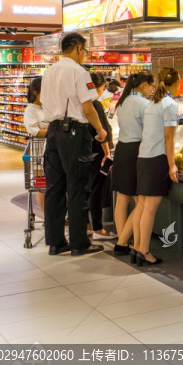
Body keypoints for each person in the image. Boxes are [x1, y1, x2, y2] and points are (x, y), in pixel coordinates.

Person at [40, 32, 107, 257]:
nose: (85, 54)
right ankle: (79, 242)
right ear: (78, 48)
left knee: (54, 188)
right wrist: (100, 130)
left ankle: (55, 242)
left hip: (52, 133)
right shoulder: (80, 72)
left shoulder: (48, 72)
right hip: (74, 133)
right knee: (78, 188)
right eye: (85, 50)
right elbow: (88, 108)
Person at [131, 68, 180, 266]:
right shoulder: (170, 104)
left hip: (143, 157)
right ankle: (144, 251)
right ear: (175, 85)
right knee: (150, 209)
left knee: (142, 207)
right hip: (157, 159)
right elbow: (169, 138)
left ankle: (137, 248)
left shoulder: (152, 103)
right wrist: (172, 165)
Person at [111, 71, 155, 256]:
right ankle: (131, 243)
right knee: (141, 202)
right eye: (152, 86)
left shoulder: (122, 102)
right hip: (138, 151)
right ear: (145, 85)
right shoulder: (144, 104)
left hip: (122, 149)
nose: (152, 90)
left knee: (122, 199)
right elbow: (150, 131)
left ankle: (123, 239)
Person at [88, 71, 114, 240]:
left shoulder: (83, 103)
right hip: (98, 153)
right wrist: (107, 153)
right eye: (103, 87)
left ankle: (88, 225)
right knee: (97, 190)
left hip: (87, 152)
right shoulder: (95, 105)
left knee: (88, 190)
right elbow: (102, 132)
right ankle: (98, 228)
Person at [22, 76, 47, 215]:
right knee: (41, 185)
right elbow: (34, 131)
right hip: (38, 152)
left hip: (53, 150)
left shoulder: (49, 107)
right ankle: (45, 216)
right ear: (36, 92)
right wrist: (54, 130)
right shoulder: (30, 110)